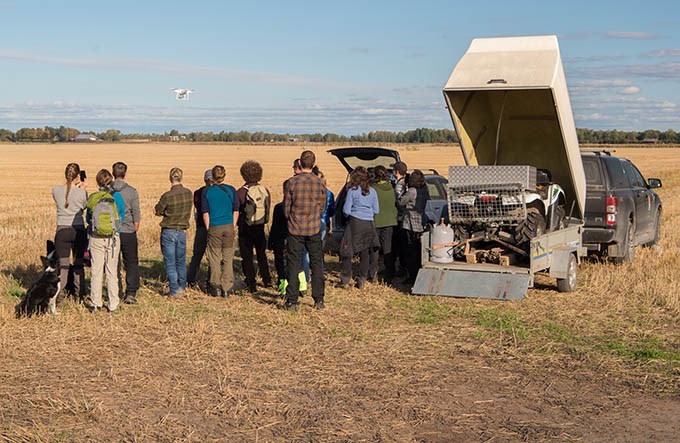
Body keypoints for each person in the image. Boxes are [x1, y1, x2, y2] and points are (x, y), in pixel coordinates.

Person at [283, 150, 327, 310]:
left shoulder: (292, 182)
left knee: (293, 264)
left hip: (295, 228)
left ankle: (292, 300)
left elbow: (286, 207)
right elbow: (323, 206)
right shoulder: (319, 183)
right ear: (313, 164)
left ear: (300, 164)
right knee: (316, 263)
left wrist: (291, 218)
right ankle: (319, 299)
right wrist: (315, 216)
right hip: (314, 228)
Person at [86, 169, 125, 313]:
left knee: (96, 270)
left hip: (96, 238)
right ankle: (113, 303)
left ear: (98, 182)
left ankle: (96, 303)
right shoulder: (117, 197)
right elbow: (121, 216)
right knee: (111, 271)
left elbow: (88, 218)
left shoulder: (93, 197)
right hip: (113, 238)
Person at [51, 162, 88, 305]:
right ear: (78, 176)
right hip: (78, 230)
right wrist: (83, 189)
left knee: (63, 267)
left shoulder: (55, 190)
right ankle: (80, 295)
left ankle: (59, 297)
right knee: (78, 265)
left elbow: (65, 197)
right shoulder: (81, 192)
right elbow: (85, 206)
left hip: (62, 231)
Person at [338, 166, 379, 289]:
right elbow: (376, 210)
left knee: (348, 251)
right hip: (369, 224)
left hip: (355, 222)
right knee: (365, 251)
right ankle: (362, 278)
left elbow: (346, 210)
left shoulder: (352, 191)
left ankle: (345, 279)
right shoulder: (373, 191)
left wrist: (348, 217)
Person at [154, 167, 193, 297]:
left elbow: (158, 211)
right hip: (182, 231)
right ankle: (182, 287)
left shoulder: (167, 196)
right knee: (181, 261)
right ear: (181, 178)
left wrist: (164, 212)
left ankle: (174, 290)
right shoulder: (188, 193)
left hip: (168, 231)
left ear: (170, 178)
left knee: (170, 262)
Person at [203, 165, 239, 297]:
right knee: (228, 257)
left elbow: (205, 213)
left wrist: (209, 228)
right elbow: (236, 210)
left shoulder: (207, 192)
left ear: (212, 176)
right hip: (229, 226)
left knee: (214, 257)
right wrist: (233, 225)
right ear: (224, 176)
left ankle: (215, 286)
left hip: (214, 227)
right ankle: (227, 287)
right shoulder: (231, 190)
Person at [236, 160, 272, 293]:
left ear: (244, 175)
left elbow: (237, 210)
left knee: (247, 256)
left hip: (245, 229)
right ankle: (267, 280)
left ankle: (251, 282)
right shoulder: (265, 191)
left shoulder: (240, 192)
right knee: (262, 255)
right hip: (260, 228)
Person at [111, 161, 141, 304]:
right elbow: (136, 213)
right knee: (131, 262)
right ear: (125, 174)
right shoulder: (132, 191)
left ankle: (114, 291)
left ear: (113, 174)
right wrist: (134, 227)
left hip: (111, 232)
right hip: (128, 231)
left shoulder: (107, 190)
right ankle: (131, 292)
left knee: (113, 262)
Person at [398, 169, 429, 284]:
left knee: (409, 251)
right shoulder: (424, 190)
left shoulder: (411, 191)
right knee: (418, 250)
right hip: (420, 223)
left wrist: (402, 190)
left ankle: (411, 276)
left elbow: (401, 202)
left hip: (410, 224)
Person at [371, 165, 398, 282]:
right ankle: (390, 274)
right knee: (388, 249)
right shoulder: (391, 188)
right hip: (390, 221)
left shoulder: (372, 188)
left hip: (376, 221)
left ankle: (373, 273)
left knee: (374, 249)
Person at [187, 169, 213, 289]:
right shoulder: (218, 191)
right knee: (214, 256)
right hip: (215, 227)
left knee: (197, 255)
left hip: (201, 227)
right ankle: (211, 280)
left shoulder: (198, 193)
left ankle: (191, 279)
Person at [391, 161, 409, 273]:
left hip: (399, 218)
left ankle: (401, 267)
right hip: (405, 218)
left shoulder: (399, 185)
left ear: (397, 172)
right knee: (404, 245)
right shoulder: (406, 182)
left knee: (398, 245)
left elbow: (398, 201)